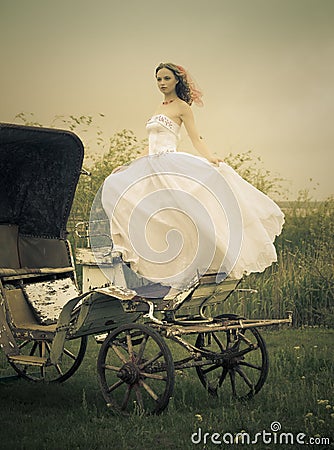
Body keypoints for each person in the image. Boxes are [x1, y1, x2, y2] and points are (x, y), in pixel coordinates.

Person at [101, 62, 284, 289]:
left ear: (177, 80)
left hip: (170, 163)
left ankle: (207, 254)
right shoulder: (158, 108)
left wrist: (210, 157)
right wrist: (128, 166)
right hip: (151, 164)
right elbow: (150, 145)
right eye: (158, 79)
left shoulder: (182, 107)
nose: (161, 83)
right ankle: (136, 249)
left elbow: (196, 138)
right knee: (116, 185)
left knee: (184, 212)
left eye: (166, 78)